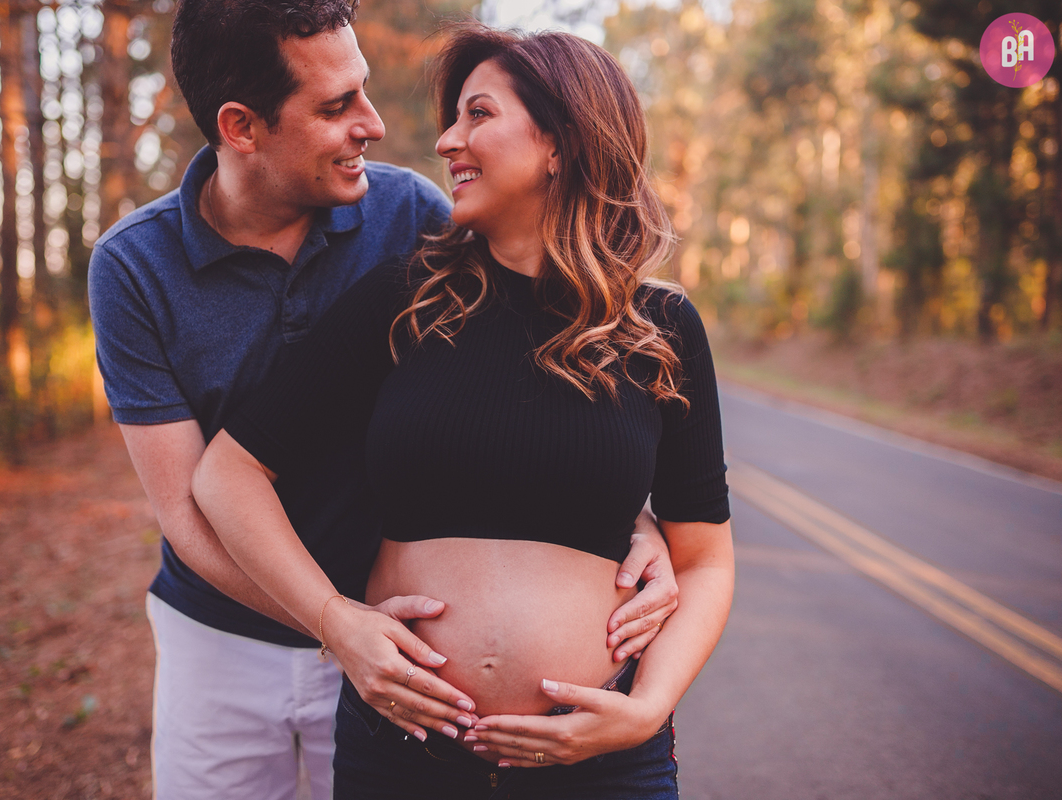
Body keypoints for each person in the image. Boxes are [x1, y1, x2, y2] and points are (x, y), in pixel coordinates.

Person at [89, 2, 681, 797]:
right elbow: (190, 509)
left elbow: (521, 397)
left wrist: (633, 521)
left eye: (361, 91)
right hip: (226, 633)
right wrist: (337, 623)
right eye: (336, 107)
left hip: (407, 637)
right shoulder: (134, 267)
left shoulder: (413, 218)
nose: (372, 122)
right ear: (241, 127)